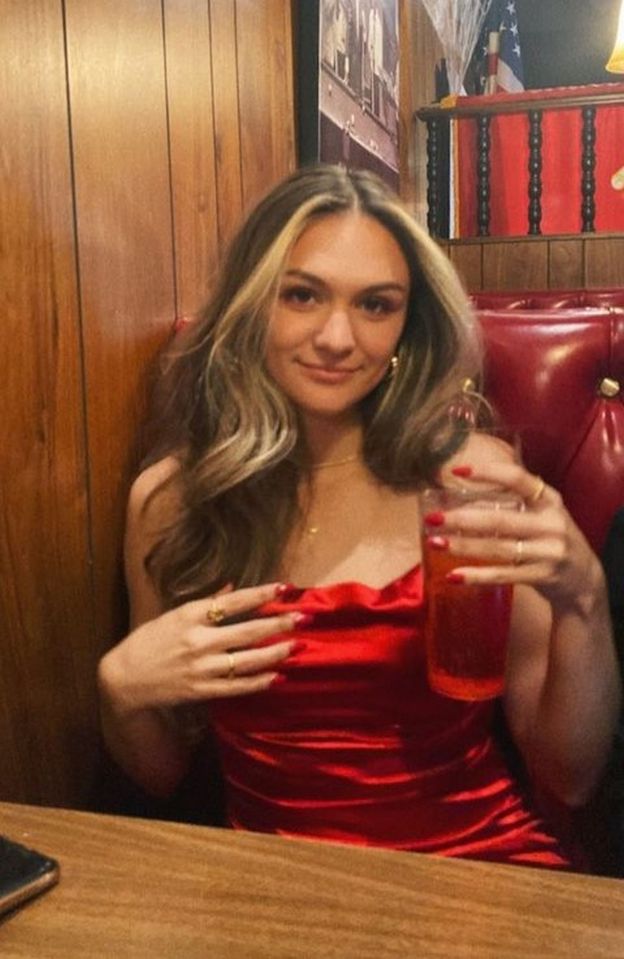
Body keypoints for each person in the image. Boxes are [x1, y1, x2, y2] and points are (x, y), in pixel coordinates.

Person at [98, 164, 620, 869]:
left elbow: (570, 775)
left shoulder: (473, 479)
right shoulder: (174, 501)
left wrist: (584, 598)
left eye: (376, 305)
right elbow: (160, 772)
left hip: (478, 870)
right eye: (303, 295)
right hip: (273, 887)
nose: (338, 337)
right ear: (253, 304)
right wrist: (121, 688)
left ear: (409, 323)